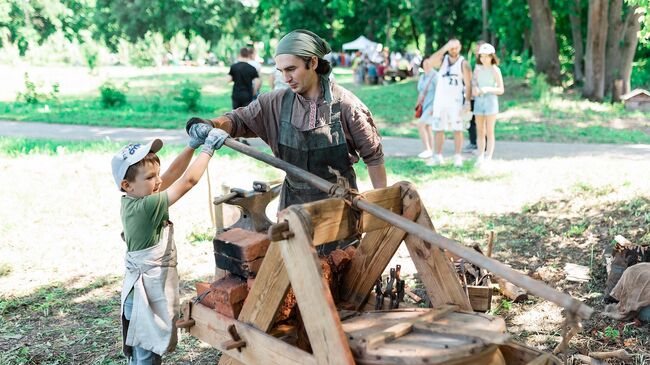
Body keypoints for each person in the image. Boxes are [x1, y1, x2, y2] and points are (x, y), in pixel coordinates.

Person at [186, 29, 387, 212]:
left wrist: (383, 207)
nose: (285, 77)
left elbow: (374, 157)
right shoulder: (274, 103)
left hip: (339, 209)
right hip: (292, 209)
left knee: (339, 255)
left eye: (291, 69)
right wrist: (211, 124)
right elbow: (238, 120)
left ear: (313, 62)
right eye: (281, 71)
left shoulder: (346, 105)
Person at [112, 125, 228, 365]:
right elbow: (188, 181)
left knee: (144, 353)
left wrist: (192, 145)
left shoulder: (138, 198)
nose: (158, 181)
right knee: (146, 356)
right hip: (143, 296)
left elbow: (173, 174)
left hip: (141, 290)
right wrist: (208, 149)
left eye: (157, 174)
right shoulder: (146, 207)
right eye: (150, 177)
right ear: (127, 185)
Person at [427, 38, 472, 167]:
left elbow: (469, 85)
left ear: (460, 47)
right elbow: (430, 62)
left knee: (457, 129)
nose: (453, 50)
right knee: (438, 129)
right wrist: (445, 47)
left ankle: (457, 157)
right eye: (451, 47)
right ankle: (437, 156)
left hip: (456, 102)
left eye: (456, 47)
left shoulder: (464, 63)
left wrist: (467, 102)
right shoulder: (443, 60)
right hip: (440, 102)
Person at [472, 43, 504, 167]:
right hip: (479, 101)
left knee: (489, 131)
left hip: (490, 102)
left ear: (492, 56)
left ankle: (488, 156)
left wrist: (487, 89)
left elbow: (501, 89)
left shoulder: (495, 70)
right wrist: (475, 88)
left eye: (486, 56)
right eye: (482, 56)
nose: (484, 59)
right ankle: (480, 155)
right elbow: (474, 81)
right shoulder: (477, 68)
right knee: (480, 130)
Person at [463, 40, 486, 153]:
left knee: (481, 121)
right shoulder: (475, 62)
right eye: (476, 50)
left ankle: (483, 145)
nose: (477, 52)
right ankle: (473, 142)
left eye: (479, 49)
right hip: (472, 95)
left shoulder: (486, 64)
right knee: (470, 119)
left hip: (481, 96)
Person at [415, 55, 437, 159]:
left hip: (432, 106)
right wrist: (418, 104)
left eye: (428, 63)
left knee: (420, 125)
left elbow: (439, 93)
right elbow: (420, 92)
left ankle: (427, 149)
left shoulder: (435, 76)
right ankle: (431, 151)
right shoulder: (422, 76)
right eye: (425, 64)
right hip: (424, 106)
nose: (427, 65)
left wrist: (434, 108)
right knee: (428, 127)